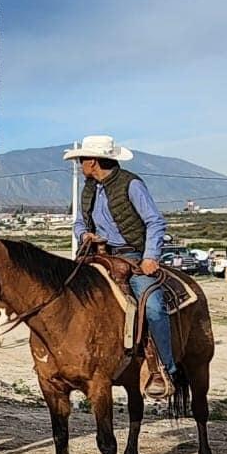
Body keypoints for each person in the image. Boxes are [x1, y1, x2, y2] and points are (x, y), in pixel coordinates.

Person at [67, 135, 174, 399]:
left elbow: (155, 222)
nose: (80, 165)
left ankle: (163, 367)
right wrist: (84, 236)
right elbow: (80, 222)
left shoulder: (131, 184)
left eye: (82, 160)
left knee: (153, 305)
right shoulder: (89, 188)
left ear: (93, 161)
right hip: (98, 256)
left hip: (133, 256)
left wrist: (150, 256)